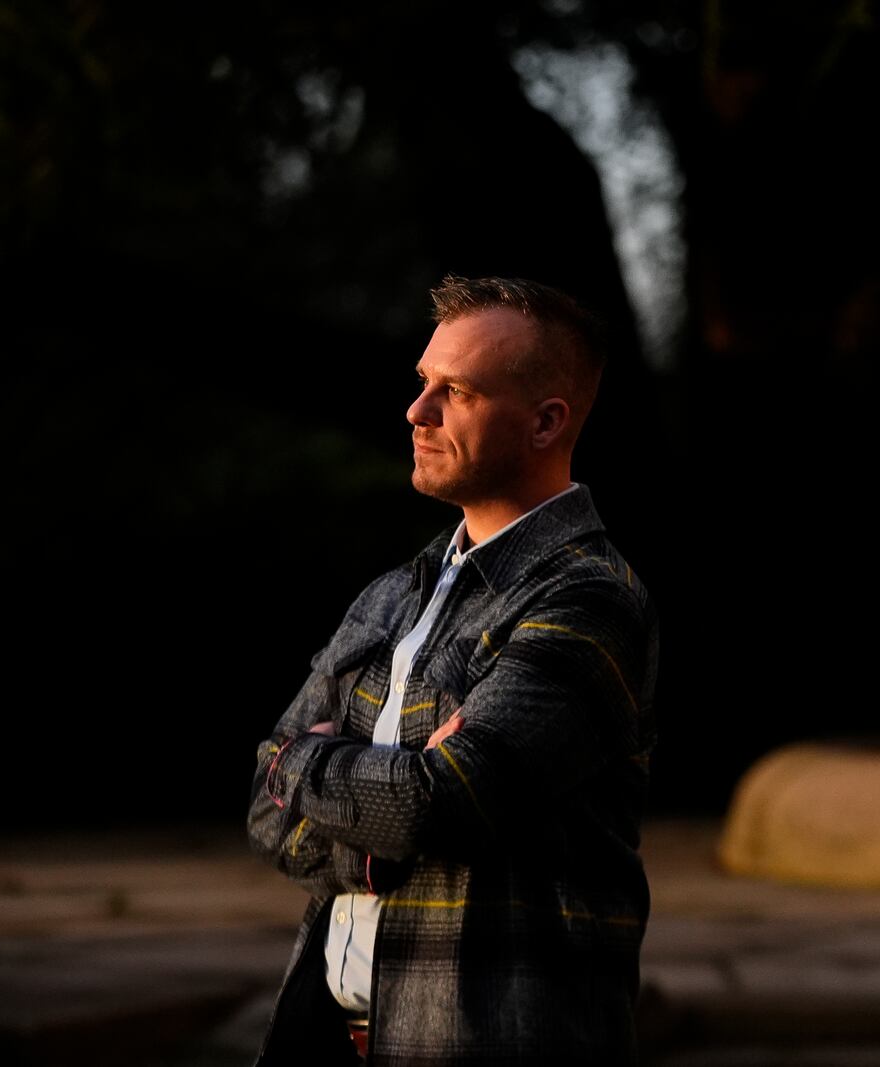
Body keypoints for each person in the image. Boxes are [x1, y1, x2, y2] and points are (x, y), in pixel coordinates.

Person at [247, 275, 659, 1066]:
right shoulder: (392, 594)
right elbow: (263, 809)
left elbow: (442, 802)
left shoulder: (588, 597)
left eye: (456, 391)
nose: (417, 411)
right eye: (422, 383)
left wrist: (303, 761)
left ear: (545, 422)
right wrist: (373, 818)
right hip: (329, 1037)